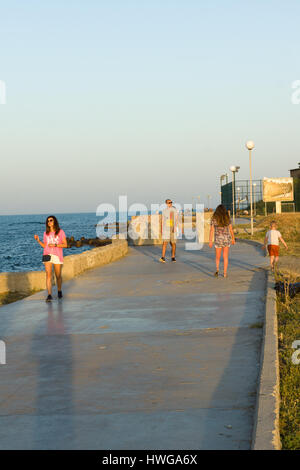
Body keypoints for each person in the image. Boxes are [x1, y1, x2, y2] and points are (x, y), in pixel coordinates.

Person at [34, 216, 67, 302]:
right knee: (48, 275)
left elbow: (65, 244)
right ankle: (49, 295)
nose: (49, 222)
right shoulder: (45, 233)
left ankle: (59, 291)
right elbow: (45, 245)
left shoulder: (60, 232)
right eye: (48, 221)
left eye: (51, 220)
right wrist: (38, 240)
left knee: (58, 275)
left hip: (57, 255)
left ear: (54, 221)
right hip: (47, 255)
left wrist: (55, 245)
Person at [209, 204, 235, 278]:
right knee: (225, 256)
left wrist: (210, 240)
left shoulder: (214, 218)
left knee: (217, 257)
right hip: (226, 239)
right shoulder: (227, 218)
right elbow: (231, 229)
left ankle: (217, 269)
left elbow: (211, 230)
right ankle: (225, 273)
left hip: (218, 239)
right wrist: (233, 238)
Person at [159, 199, 178, 263]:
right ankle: (163, 257)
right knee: (164, 243)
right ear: (166, 204)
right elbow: (162, 220)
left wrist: (175, 227)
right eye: (169, 202)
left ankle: (173, 257)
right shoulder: (164, 211)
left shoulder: (174, 210)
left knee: (173, 243)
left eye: (171, 202)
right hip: (166, 229)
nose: (170, 203)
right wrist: (161, 229)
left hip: (172, 229)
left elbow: (176, 219)